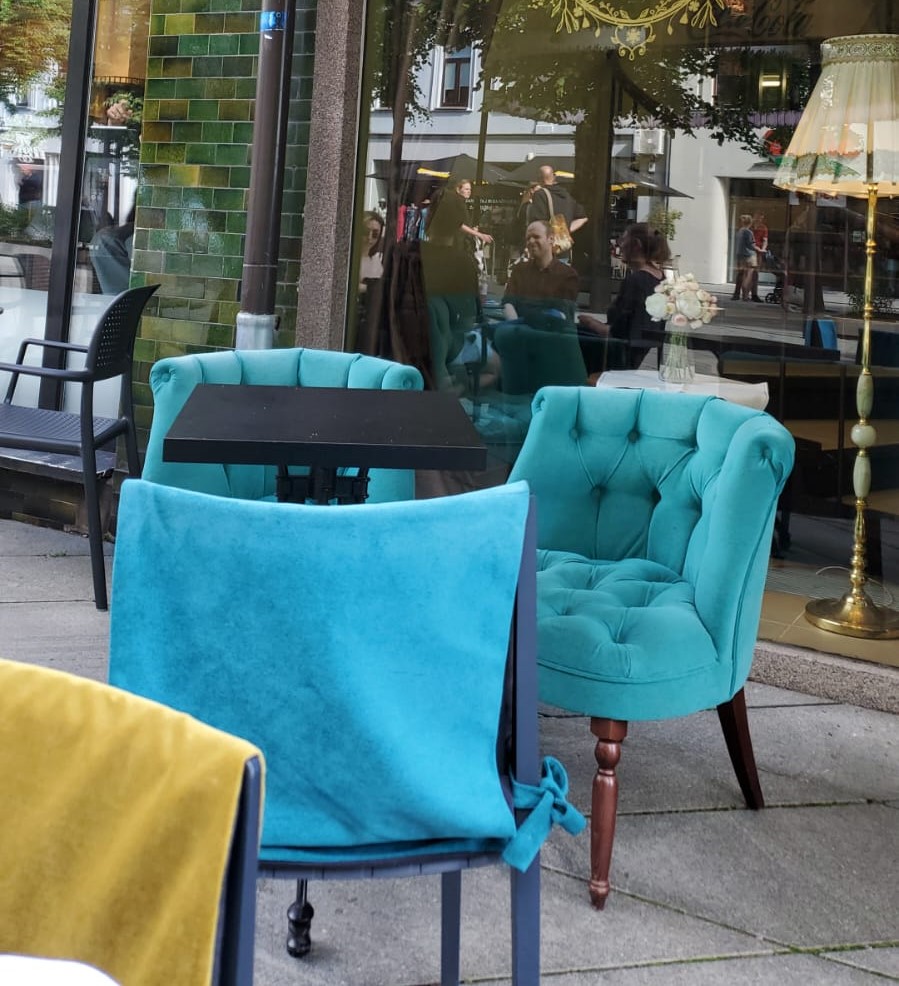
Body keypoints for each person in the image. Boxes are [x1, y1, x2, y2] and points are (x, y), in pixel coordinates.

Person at [606, 223, 670, 367]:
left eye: (623, 240)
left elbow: (619, 330)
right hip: (636, 350)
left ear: (636, 245)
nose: (620, 245)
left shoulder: (636, 281)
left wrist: (592, 324)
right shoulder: (660, 279)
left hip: (618, 354)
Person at [502, 220, 580, 328]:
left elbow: (562, 314)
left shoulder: (568, 275)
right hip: (518, 331)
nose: (531, 241)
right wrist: (516, 328)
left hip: (550, 334)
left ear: (551, 239)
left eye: (536, 237)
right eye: (528, 238)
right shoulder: (519, 269)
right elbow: (508, 302)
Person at [525, 165, 588, 261]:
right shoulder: (566, 195)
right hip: (563, 250)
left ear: (539, 178)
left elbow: (537, 223)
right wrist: (565, 230)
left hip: (546, 252)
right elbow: (583, 217)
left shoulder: (540, 195)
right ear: (553, 177)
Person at [732, 214, 758, 301]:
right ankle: (745, 295)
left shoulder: (739, 231)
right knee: (748, 276)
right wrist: (759, 249)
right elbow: (751, 245)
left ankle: (736, 294)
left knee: (740, 274)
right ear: (750, 222)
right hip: (749, 255)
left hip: (740, 255)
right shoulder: (749, 232)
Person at [358, 211, 384, 291]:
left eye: (375, 234)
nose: (369, 237)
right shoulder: (351, 259)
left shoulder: (376, 260)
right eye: (366, 232)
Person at [748, 211, 768, 302]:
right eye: (757, 217)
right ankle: (744, 294)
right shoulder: (749, 227)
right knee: (747, 273)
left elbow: (765, 240)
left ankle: (754, 294)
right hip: (749, 252)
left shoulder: (763, 228)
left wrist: (763, 249)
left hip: (758, 253)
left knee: (755, 274)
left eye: (761, 217)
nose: (759, 219)